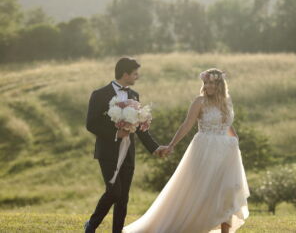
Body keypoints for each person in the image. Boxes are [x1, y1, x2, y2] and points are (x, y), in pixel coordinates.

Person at [123, 68, 250, 233]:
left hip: (227, 151)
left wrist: (236, 141)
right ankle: (188, 224)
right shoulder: (200, 101)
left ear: (220, 84)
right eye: (206, 82)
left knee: (227, 191)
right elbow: (187, 125)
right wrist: (171, 145)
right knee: (202, 191)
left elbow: (226, 124)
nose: (208, 86)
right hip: (205, 149)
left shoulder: (226, 101)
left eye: (212, 82)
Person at [84, 57, 169, 233]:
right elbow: (91, 124)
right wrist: (115, 133)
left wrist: (155, 148)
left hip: (128, 152)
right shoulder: (99, 94)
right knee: (114, 192)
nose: (137, 77)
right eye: (135, 73)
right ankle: (91, 225)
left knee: (123, 198)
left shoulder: (134, 95)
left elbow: (139, 128)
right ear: (125, 74)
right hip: (108, 152)